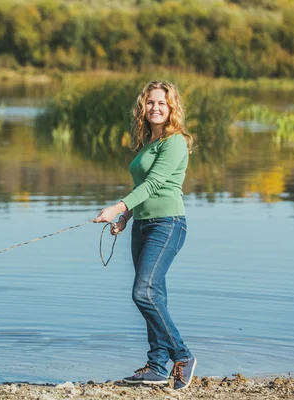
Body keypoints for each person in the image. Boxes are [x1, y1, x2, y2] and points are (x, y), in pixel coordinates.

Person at [93, 80, 196, 390]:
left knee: (144, 292)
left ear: (171, 107)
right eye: (150, 102)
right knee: (156, 294)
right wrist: (126, 217)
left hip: (168, 224)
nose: (155, 108)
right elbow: (144, 188)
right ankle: (156, 366)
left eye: (162, 103)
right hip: (143, 225)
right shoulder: (148, 143)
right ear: (143, 106)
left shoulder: (175, 142)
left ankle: (183, 355)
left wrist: (116, 207)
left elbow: (154, 186)